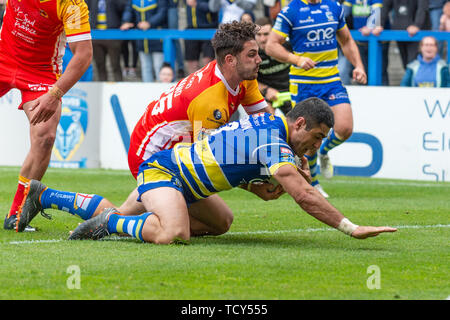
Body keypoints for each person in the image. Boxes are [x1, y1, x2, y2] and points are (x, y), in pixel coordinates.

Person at [16, 21, 276, 232]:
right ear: (230, 59)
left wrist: (284, 156)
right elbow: (208, 163)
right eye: (252, 54)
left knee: (221, 223)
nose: (259, 59)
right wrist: (254, 184)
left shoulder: (243, 77)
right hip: (151, 156)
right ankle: (49, 198)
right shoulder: (209, 98)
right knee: (155, 224)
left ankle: (48, 197)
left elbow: (268, 123)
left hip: (169, 146)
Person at [66, 97, 398, 244]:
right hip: (165, 173)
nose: (315, 146)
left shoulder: (270, 128)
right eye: (316, 138)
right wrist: (349, 227)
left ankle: (47, 195)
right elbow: (305, 196)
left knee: (222, 223)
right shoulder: (273, 142)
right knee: (173, 234)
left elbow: (241, 172)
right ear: (299, 124)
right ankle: (111, 224)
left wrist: (267, 187)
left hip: (187, 181)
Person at [1, 0, 93, 231]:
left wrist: (55, 94)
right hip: (3, 55)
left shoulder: (71, 5)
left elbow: (83, 55)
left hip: (40, 70)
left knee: (45, 137)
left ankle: (18, 213)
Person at [265, 0, 367, 198]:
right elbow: (271, 46)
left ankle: (323, 151)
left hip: (331, 80)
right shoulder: (291, 11)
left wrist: (359, 66)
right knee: (308, 136)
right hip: (303, 83)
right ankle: (315, 182)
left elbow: (346, 40)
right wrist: (296, 59)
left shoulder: (334, 7)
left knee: (345, 128)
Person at [372, 0, 430, 70]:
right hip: (400, 31)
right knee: (405, 64)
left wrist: (417, 25)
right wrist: (379, 24)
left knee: (414, 64)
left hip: (417, 34)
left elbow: (422, 8)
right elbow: (385, 7)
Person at [121, 0, 168, 82]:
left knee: (159, 67)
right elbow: (128, 10)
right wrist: (126, 21)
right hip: (142, 41)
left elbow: (162, 12)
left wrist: (149, 23)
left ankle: (163, 94)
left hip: (157, 39)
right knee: (146, 68)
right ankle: (149, 94)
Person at [254, 16, 291, 116]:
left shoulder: (287, 45)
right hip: (267, 95)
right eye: (258, 35)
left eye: (266, 34)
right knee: (268, 122)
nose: (262, 39)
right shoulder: (252, 54)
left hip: (290, 92)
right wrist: (266, 90)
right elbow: (246, 81)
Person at [85, 0, 128, 82]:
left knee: (115, 64)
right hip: (96, 36)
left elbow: (125, 8)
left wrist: (125, 21)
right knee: (99, 65)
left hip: (112, 36)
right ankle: (102, 87)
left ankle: (119, 88)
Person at [184, 0, 219, 75]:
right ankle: (193, 84)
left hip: (208, 29)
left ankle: (207, 82)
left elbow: (214, 7)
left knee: (207, 60)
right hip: (191, 29)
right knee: (191, 61)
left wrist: (197, 4)